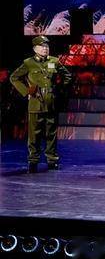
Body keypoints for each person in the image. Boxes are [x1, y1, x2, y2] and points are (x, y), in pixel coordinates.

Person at [10, 36, 72, 173]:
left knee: (51, 133)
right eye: (42, 46)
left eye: (47, 46)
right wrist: (26, 91)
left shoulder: (54, 61)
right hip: (35, 101)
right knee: (34, 134)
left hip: (51, 101)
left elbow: (67, 76)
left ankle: (52, 160)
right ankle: (33, 161)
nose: (45, 48)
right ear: (35, 49)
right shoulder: (28, 63)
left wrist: (59, 90)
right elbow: (14, 77)